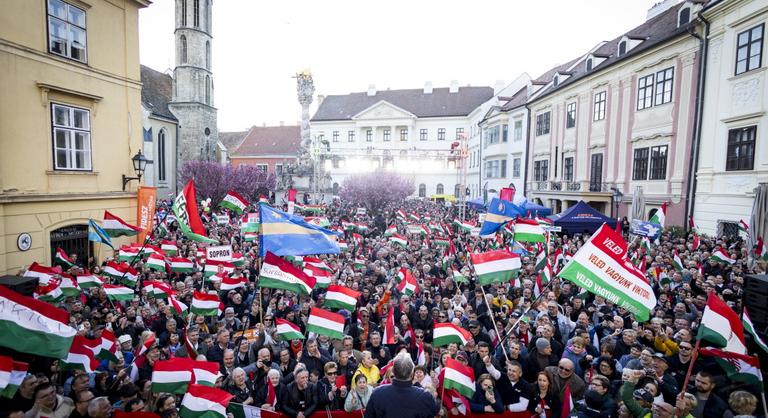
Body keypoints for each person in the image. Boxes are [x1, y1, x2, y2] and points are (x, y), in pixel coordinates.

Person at [364, 352, 440, 418]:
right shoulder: (425, 396)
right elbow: (435, 408)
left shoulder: (378, 393)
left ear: (393, 371)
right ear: (412, 373)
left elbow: (435, 409)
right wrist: (417, 384)